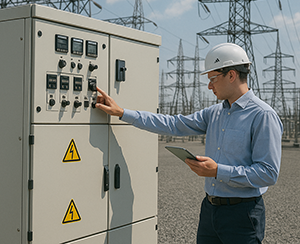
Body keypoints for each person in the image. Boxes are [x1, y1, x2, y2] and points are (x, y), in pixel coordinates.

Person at [95, 42, 282, 244]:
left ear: (231, 75)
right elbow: (173, 124)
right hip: (210, 209)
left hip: (242, 215)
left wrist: (218, 171)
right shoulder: (214, 113)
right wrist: (122, 113)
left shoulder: (262, 115)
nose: (210, 85)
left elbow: (268, 173)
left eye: (213, 78)